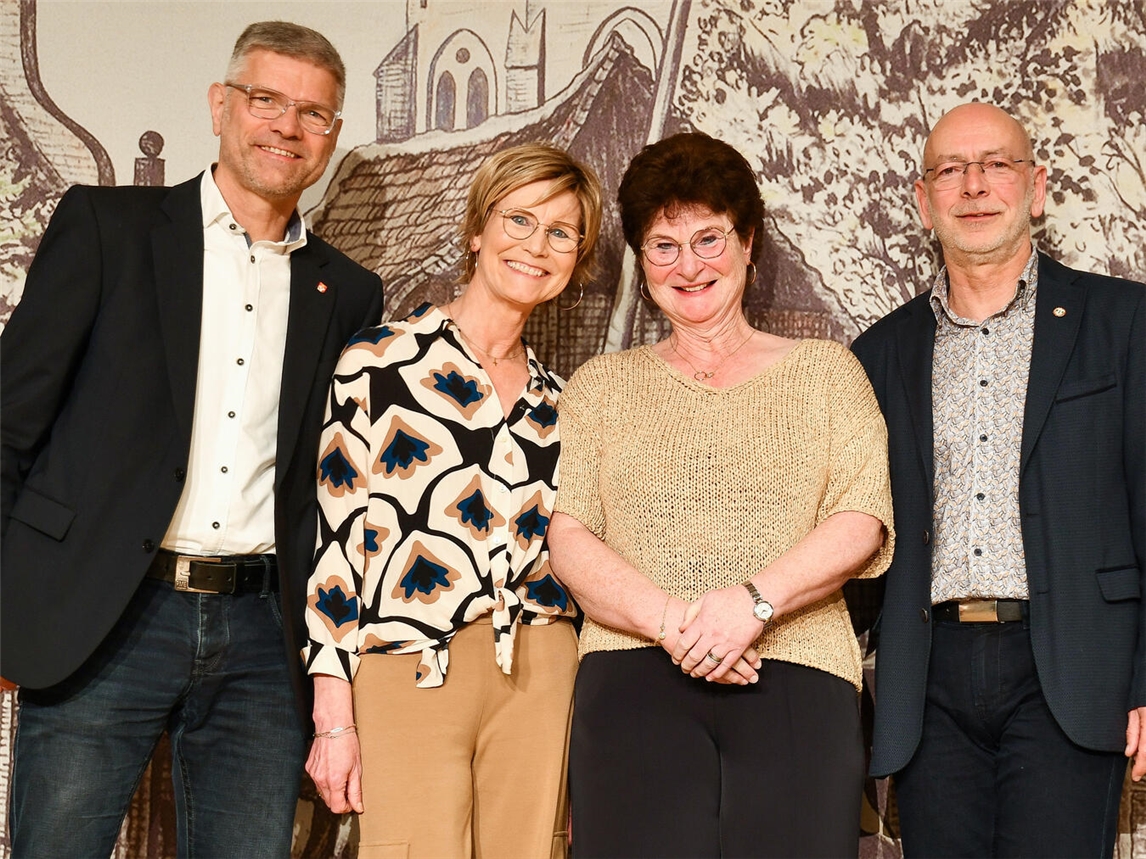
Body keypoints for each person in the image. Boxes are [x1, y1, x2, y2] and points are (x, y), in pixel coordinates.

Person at [0, 21, 383, 857]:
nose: (287, 125)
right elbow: (9, 421)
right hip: (105, 615)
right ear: (220, 105)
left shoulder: (349, 292)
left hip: (260, 636)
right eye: (267, 99)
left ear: (332, 137)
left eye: (313, 113)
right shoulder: (108, 228)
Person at [547, 131, 895, 859]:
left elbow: (861, 518)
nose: (689, 264)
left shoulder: (827, 372)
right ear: (642, 264)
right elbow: (570, 535)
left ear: (748, 242)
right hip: (633, 677)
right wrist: (678, 624)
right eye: (664, 245)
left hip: (795, 676)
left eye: (709, 238)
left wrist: (752, 604)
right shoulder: (599, 388)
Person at [851, 102, 1145, 857]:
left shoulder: (1124, 322)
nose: (973, 185)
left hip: (1074, 665)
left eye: (996, 165)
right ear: (924, 200)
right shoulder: (878, 354)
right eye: (950, 169)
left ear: (1036, 187)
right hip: (929, 678)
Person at [303, 143, 602, 859]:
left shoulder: (564, 402)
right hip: (407, 660)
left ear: (578, 259)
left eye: (562, 233)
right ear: (477, 229)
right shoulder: (378, 362)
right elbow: (338, 546)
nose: (537, 246)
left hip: (542, 663)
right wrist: (332, 715)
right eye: (520, 220)